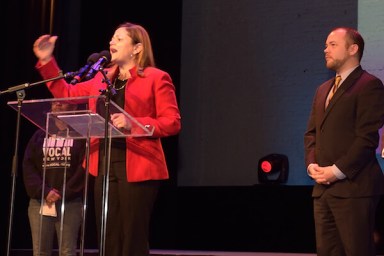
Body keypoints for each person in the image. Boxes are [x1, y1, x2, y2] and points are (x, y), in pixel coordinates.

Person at [32, 21, 182, 256]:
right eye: (112, 38)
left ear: (137, 48)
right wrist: (46, 61)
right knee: (107, 234)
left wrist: (135, 123)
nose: (112, 42)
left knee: (132, 235)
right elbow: (66, 93)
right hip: (102, 163)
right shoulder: (102, 79)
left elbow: (172, 121)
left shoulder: (156, 78)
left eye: (119, 39)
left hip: (139, 164)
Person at [304, 27, 384, 256]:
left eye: (332, 44)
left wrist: (337, 171)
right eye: (325, 44)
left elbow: (367, 138)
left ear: (353, 49)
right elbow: (311, 134)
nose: (325, 49)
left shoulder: (369, 85)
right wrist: (312, 165)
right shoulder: (322, 90)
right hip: (322, 189)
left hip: (355, 188)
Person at [23, 101, 86, 256]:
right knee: (40, 251)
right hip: (40, 201)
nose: (57, 103)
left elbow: (84, 167)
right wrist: (44, 191)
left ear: (75, 106)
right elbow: (28, 166)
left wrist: (64, 193)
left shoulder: (81, 135)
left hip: (70, 202)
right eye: (55, 101)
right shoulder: (39, 134)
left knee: (67, 251)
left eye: (63, 101)